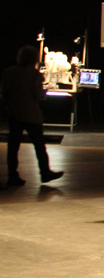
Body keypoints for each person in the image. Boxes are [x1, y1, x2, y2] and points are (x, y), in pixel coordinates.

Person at [1, 45, 63, 186]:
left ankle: (12, 175)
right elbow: (40, 96)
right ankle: (45, 172)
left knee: (13, 147)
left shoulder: (8, 72)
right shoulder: (35, 75)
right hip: (31, 114)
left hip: (14, 113)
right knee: (39, 146)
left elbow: (4, 93)